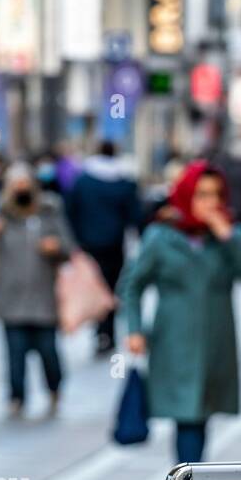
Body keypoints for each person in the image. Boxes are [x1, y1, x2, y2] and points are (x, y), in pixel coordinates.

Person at [118, 161, 241, 464]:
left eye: (215, 195)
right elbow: (132, 285)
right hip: (174, 341)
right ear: (186, 195)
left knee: (201, 413)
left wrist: (228, 236)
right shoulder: (160, 236)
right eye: (201, 194)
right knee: (188, 416)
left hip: (216, 342)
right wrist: (134, 329)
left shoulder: (227, 236)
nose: (209, 203)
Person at [0, 162, 74, 418]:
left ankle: (55, 389)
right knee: (15, 354)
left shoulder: (49, 211)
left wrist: (56, 247)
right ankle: (17, 397)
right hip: (9, 297)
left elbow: (69, 247)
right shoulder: (0, 214)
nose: (21, 189)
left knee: (48, 350)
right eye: (16, 185)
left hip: (43, 296)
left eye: (25, 184)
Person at [67, 140, 142, 354]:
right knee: (110, 287)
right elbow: (134, 214)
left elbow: (71, 210)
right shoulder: (124, 182)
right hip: (114, 243)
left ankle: (101, 330)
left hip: (88, 244)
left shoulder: (83, 181)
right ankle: (106, 330)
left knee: (95, 286)